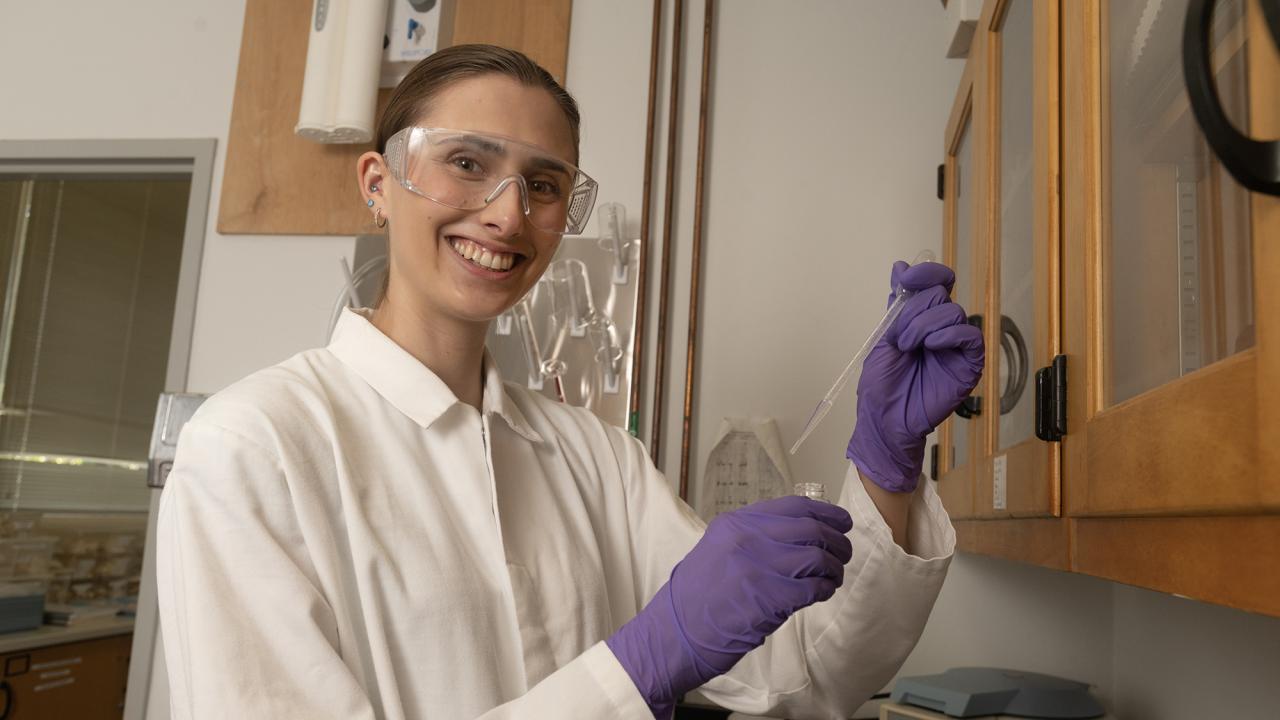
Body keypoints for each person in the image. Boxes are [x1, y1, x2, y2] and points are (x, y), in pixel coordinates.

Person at [156, 44, 984, 720]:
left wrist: (886, 463)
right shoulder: (253, 446)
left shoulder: (592, 457)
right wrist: (638, 664)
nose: (508, 214)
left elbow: (806, 679)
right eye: (468, 163)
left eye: (544, 184)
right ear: (379, 183)